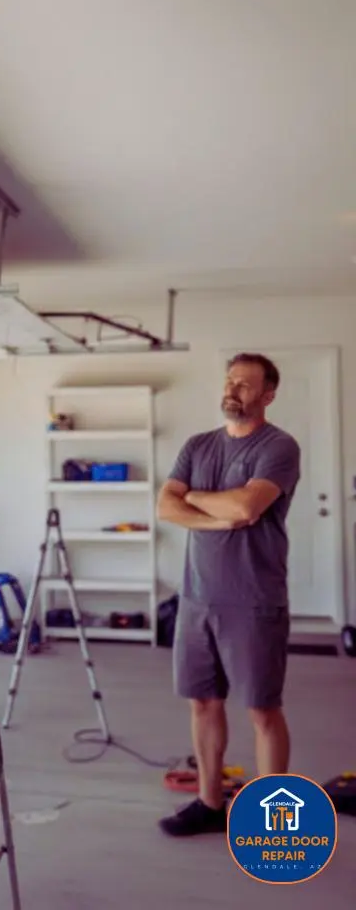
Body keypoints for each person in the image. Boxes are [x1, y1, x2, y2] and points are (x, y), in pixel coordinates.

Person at [156, 352, 300, 837]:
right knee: (202, 702)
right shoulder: (198, 445)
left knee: (262, 709)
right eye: (230, 380)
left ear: (267, 395)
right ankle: (209, 802)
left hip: (254, 600)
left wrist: (193, 496)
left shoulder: (278, 447)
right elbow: (164, 506)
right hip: (196, 598)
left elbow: (245, 506)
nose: (233, 389)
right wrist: (218, 513)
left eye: (245, 384)